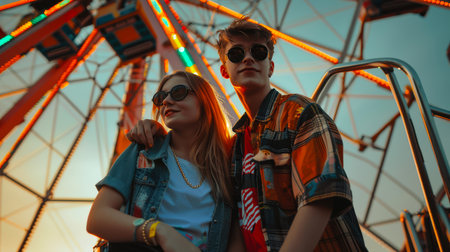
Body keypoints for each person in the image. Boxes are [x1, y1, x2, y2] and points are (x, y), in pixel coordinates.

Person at [128, 18, 367, 251]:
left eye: (259, 52)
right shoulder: (234, 147)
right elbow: (236, 221)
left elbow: (320, 196)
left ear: (270, 66)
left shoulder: (298, 112)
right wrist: (158, 132)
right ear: (224, 70)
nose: (248, 58)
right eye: (236, 54)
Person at [87, 71, 245, 252]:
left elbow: (235, 235)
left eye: (178, 93)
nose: (167, 101)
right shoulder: (143, 152)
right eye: (160, 98)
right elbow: (97, 219)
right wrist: (160, 232)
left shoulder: (228, 164)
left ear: (204, 100)